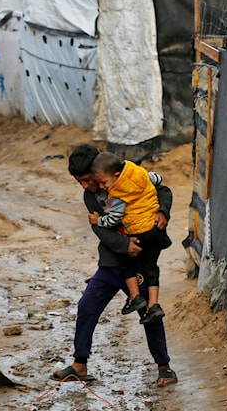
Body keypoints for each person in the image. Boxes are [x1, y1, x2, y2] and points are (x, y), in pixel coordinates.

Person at [49, 144, 178, 388]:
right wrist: (123, 245)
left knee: (150, 315)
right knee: (87, 306)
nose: (85, 186)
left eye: (87, 180)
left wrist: (163, 211)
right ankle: (79, 365)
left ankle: (164, 368)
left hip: (139, 261)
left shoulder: (129, 178)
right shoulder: (91, 196)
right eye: (80, 182)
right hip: (112, 263)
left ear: (99, 172)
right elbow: (99, 228)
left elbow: (163, 189)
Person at [88, 151, 171, 324]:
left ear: (116, 175)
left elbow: (114, 219)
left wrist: (98, 220)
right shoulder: (140, 173)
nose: (103, 187)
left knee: (126, 262)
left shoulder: (118, 193)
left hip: (139, 232)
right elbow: (158, 178)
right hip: (155, 230)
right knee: (151, 268)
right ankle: (154, 305)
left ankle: (135, 297)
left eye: (104, 182)